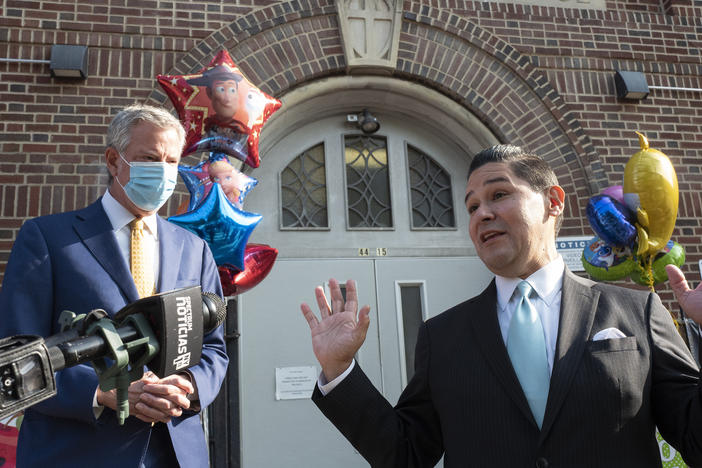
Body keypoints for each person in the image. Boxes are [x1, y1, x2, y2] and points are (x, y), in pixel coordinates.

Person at [301, 144, 702, 467]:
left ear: (553, 201)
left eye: (499, 194)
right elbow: (405, 454)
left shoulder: (638, 312)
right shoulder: (442, 337)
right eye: (472, 206)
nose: (482, 214)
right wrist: (339, 370)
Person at [0, 104, 228, 468]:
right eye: (150, 158)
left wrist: (187, 386)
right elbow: (12, 360)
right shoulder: (46, 239)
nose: (163, 171)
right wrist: (100, 392)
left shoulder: (194, 249)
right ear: (113, 160)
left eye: (171, 161)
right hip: (76, 453)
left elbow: (215, 350)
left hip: (175, 453)